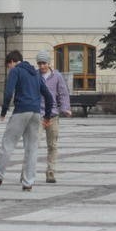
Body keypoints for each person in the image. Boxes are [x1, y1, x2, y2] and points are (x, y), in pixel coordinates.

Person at [0, 50, 53, 191]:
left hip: (21, 111)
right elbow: (49, 97)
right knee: (32, 149)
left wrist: (3, 112)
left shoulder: (16, 71)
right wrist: (47, 117)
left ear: (12, 62)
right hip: (36, 113)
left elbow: (8, 92)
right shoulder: (36, 74)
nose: (9, 69)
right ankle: (28, 183)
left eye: (9, 66)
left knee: (8, 144)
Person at [36, 50, 72, 183]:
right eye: (39, 63)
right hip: (38, 115)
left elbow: (63, 93)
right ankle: (28, 172)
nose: (41, 66)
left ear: (49, 63)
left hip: (53, 116)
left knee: (52, 145)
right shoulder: (35, 75)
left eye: (44, 63)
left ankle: (50, 172)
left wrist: (65, 109)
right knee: (33, 145)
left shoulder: (57, 76)